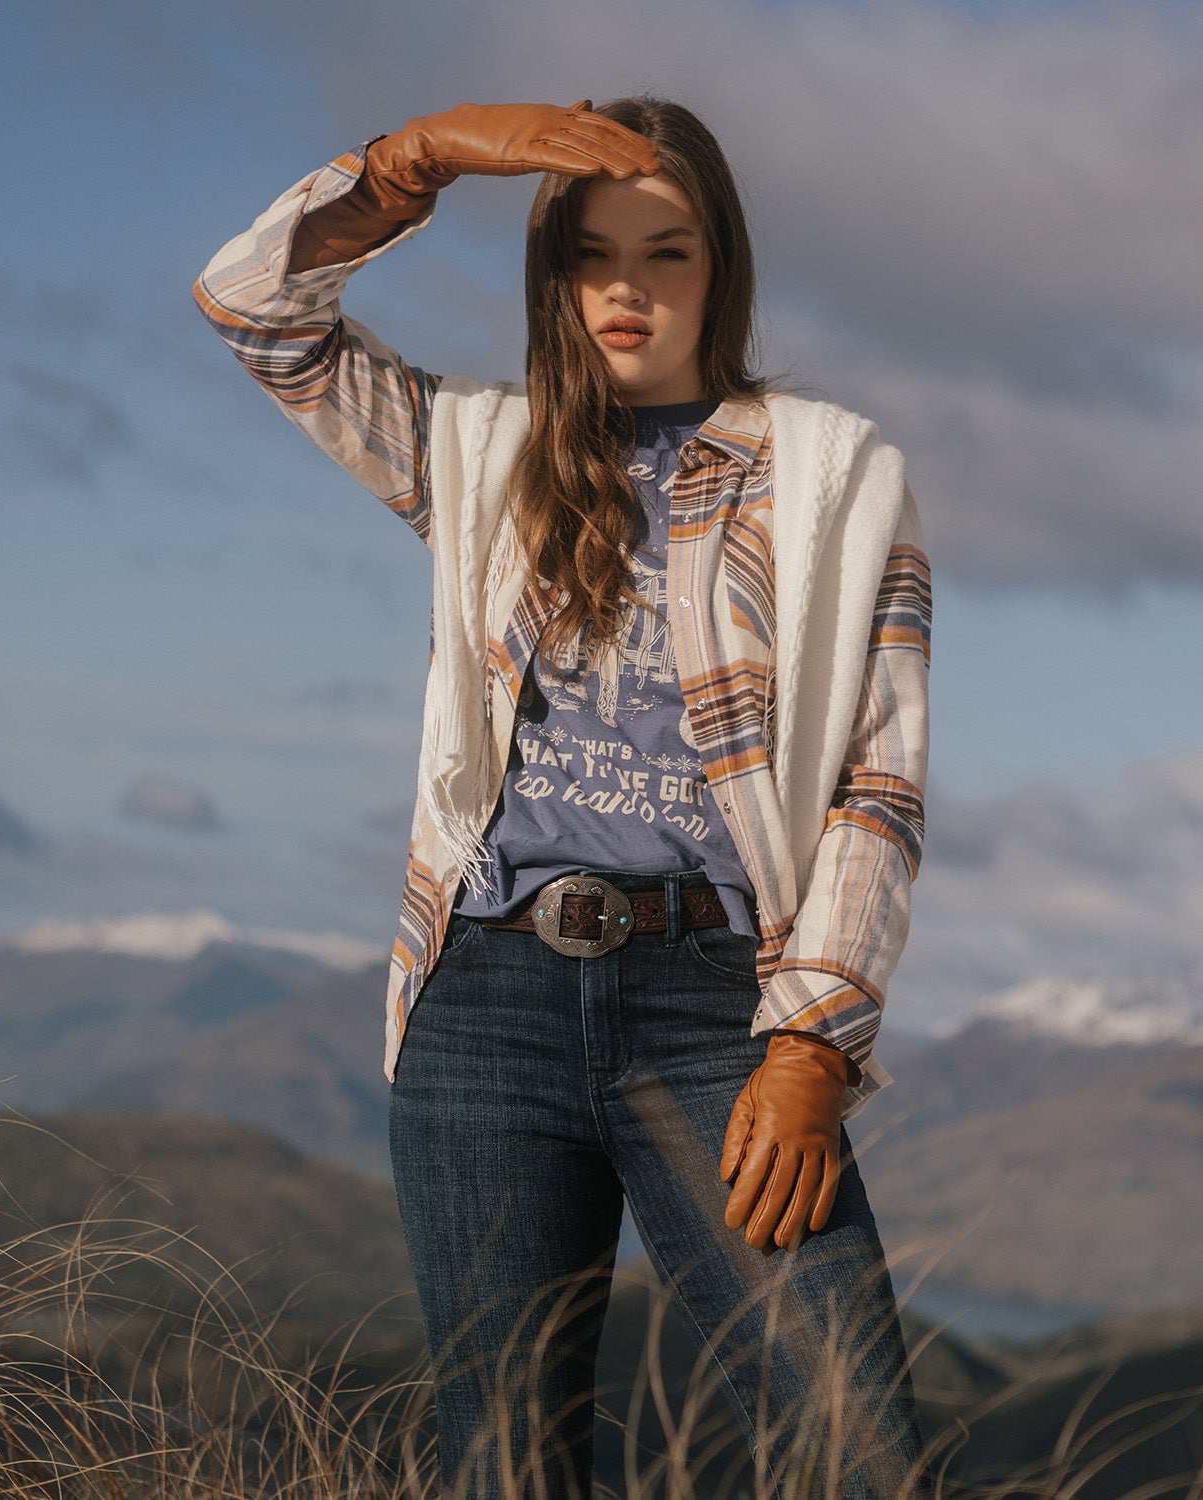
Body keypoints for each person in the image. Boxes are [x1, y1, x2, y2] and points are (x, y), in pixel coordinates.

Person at [195, 97, 934, 1499]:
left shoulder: (835, 478)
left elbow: (875, 783)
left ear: (724, 266)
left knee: (859, 1448)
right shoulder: (481, 454)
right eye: (591, 255)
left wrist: (812, 1041)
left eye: (668, 250)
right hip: (486, 1003)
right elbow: (255, 308)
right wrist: (409, 165)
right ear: (551, 276)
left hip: (722, 1008)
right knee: (505, 1465)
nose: (627, 289)